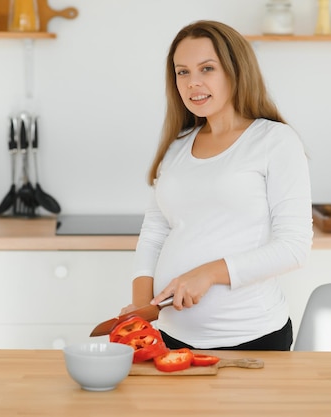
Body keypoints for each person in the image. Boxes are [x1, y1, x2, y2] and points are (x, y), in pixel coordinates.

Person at [121, 20, 313, 351]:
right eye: (182, 72)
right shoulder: (177, 146)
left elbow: (294, 247)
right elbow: (154, 231)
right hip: (170, 337)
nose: (192, 83)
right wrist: (143, 308)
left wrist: (209, 273)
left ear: (235, 71)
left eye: (206, 68)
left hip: (252, 338)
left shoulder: (274, 141)